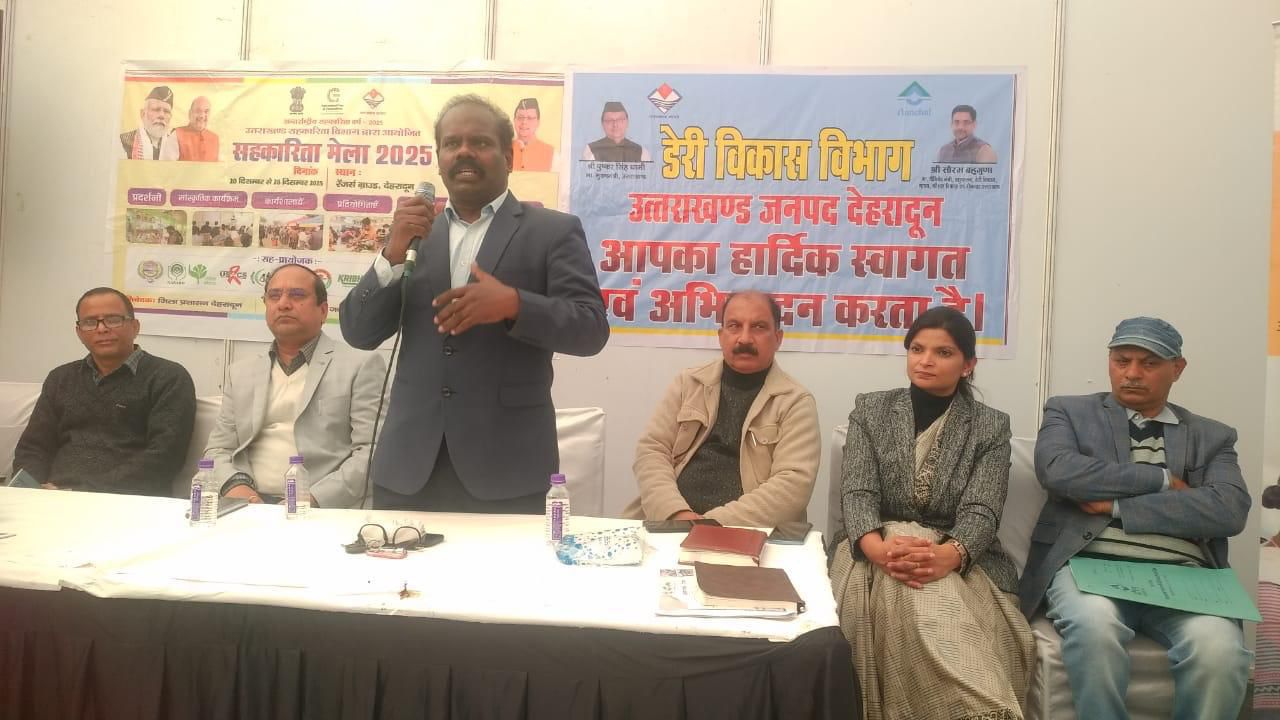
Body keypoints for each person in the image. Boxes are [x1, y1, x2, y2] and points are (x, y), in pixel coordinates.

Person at [340, 93, 609, 513]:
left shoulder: (552, 231)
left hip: (507, 468)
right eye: (452, 143)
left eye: (480, 142)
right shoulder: (414, 235)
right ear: (440, 159)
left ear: (509, 156)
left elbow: (591, 329)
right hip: (409, 468)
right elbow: (358, 332)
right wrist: (391, 254)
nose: (464, 151)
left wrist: (514, 305)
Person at [1019, 316, 1251, 720]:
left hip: (1184, 579)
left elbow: (1228, 509)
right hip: (1091, 568)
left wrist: (1116, 506)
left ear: (1177, 368)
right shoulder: (1069, 411)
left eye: (1149, 363)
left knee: (1221, 651)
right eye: (1121, 360)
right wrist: (1162, 480)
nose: (1131, 373)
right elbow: (1058, 471)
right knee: (1095, 628)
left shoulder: (1212, 436)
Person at [830, 306, 1033, 720]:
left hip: (962, 558)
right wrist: (879, 550)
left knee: (909, 576)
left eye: (943, 352)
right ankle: (980, 707)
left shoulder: (990, 426)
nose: (926, 360)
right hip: (872, 547)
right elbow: (858, 493)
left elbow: (982, 509)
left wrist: (947, 555)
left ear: (968, 365)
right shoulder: (871, 410)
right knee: (900, 561)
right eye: (917, 349)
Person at [623, 291, 819, 526]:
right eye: (734, 326)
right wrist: (675, 514)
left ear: (778, 338)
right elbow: (652, 451)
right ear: (721, 335)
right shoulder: (688, 384)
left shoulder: (796, 401)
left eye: (758, 327)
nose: (744, 339)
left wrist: (708, 526)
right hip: (670, 523)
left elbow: (792, 487)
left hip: (749, 532)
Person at [204, 264, 385, 508]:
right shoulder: (241, 373)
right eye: (274, 296)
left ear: (323, 311)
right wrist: (238, 489)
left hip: (320, 508)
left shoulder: (360, 366)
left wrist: (312, 498)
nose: (283, 304)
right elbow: (218, 449)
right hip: (247, 504)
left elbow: (372, 453)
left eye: (297, 295)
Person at [12, 288, 195, 495]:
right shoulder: (60, 378)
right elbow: (33, 448)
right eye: (90, 322)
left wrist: (79, 492)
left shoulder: (168, 377)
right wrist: (30, 491)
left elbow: (165, 456)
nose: (102, 329)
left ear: (135, 326)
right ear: (79, 332)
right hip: (52, 496)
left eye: (113, 319)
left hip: (130, 501)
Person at [120, 85, 179, 161]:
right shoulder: (124, 141)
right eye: (156, 109)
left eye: (166, 111)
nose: (162, 115)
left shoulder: (176, 143)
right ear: (143, 114)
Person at [581, 101, 651, 162]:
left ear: (627, 122)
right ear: (602, 124)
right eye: (609, 120)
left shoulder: (641, 152)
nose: (615, 125)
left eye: (620, 120)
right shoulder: (591, 150)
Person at [511, 97, 554, 172]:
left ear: (538, 122)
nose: (524, 122)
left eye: (530, 118)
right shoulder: (503, 151)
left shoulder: (552, 154)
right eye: (520, 117)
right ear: (514, 120)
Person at [174, 96, 219, 162]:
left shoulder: (214, 138)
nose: (202, 116)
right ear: (190, 113)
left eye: (206, 112)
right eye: (198, 111)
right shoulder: (176, 134)